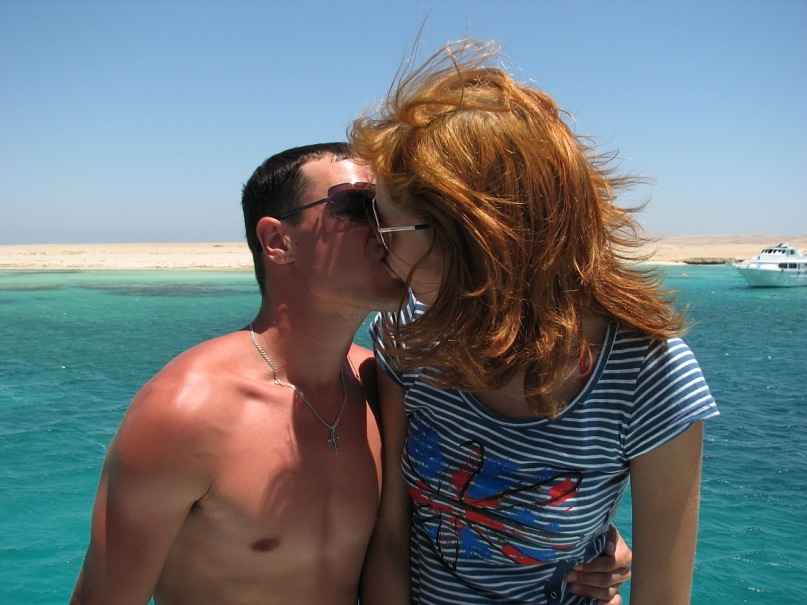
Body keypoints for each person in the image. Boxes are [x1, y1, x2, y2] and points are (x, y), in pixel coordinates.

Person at [69, 142, 629, 604]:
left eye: (392, 210)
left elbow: (476, 508)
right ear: (278, 241)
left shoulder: (384, 384)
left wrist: (589, 546)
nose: (391, 230)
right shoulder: (185, 413)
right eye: (360, 207)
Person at [350, 40, 719, 605]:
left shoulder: (648, 377)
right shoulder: (407, 331)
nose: (377, 246)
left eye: (386, 226)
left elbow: (664, 594)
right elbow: (392, 534)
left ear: (475, 241)